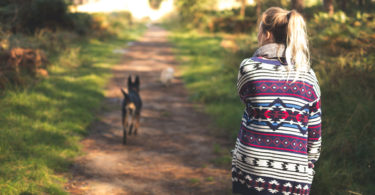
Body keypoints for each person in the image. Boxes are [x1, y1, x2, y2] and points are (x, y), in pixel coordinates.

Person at [232, 7, 322, 195]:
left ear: (266, 34)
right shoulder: (308, 77)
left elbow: (246, 97)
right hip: (294, 178)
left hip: (251, 171)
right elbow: (314, 137)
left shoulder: (249, 68)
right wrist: (306, 167)